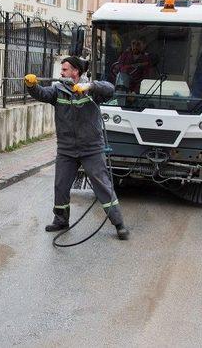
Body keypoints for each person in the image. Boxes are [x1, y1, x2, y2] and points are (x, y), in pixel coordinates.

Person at [24, 56, 129, 240]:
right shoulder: (58, 90)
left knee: (102, 186)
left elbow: (110, 89)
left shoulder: (90, 90)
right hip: (66, 149)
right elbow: (43, 94)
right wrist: (32, 86)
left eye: (65, 70)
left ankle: (119, 223)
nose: (61, 73)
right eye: (62, 70)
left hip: (91, 149)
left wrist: (90, 87)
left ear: (75, 72)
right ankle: (61, 220)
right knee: (61, 186)